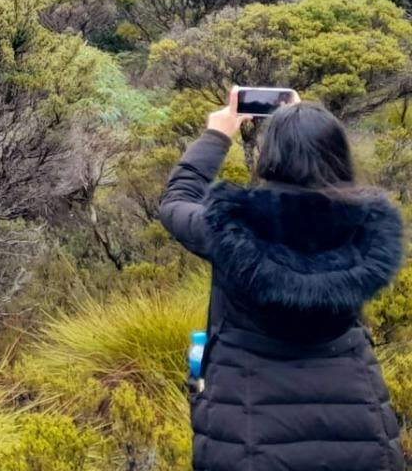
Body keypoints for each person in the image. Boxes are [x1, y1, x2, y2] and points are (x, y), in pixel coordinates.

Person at [161, 88, 406, 471]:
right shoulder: (367, 225)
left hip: (247, 431)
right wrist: (304, 120)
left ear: (269, 155)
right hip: (357, 423)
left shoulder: (232, 225)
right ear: (338, 152)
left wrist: (217, 135)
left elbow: (176, 200)